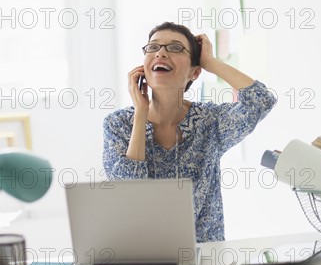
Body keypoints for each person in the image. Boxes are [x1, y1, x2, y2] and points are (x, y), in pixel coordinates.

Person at [103, 22, 277, 242]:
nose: (161, 53)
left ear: (195, 72)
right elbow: (131, 193)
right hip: (140, 254)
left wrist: (210, 63)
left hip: (204, 259)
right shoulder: (118, 124)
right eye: (153, 47)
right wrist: (140, 114)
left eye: (175, 48)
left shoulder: (209, 122)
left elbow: (261, 100)